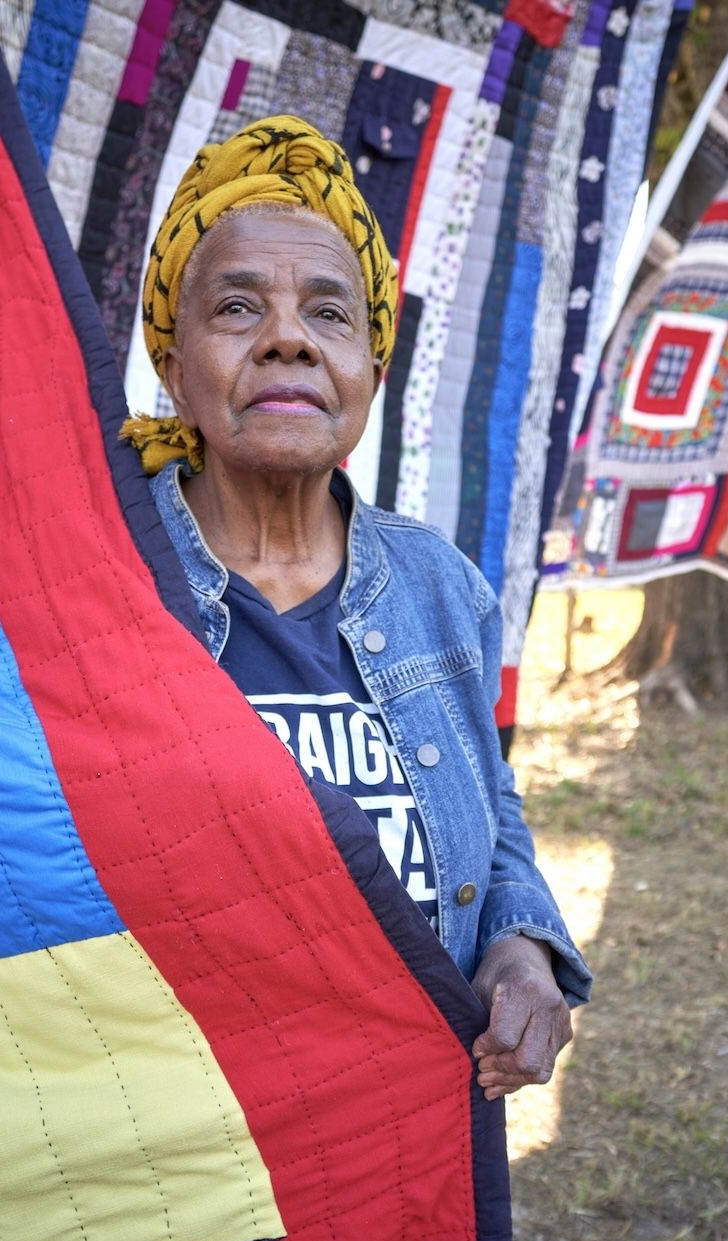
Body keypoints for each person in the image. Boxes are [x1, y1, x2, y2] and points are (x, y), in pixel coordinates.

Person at [124, 116, 590, 1100]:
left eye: (329, 315)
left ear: (371, 373)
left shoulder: (440, 587)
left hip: (405, 1146)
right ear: (173, 369)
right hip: (174, 1136)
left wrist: (520, 946)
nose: (287, 336)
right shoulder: (98, 577)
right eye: (238, 307)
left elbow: (491, 810)